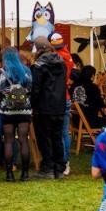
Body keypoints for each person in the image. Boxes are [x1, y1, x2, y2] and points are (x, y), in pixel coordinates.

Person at [31, 35, 67, 179]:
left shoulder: (39, 66)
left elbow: (36, 88)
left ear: (38, 49)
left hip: (44, 107)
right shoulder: (62, 63)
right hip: (59, 106)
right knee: (57, 137)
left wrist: (32, 105)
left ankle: (48, 168)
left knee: (44, 139)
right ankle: (59, 168)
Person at [0, 47, 33, 181]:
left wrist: (4, 103)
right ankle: (25, 174)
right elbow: (30, 89)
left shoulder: (2, 72)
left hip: (8, 111)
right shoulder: (27, 70)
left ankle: (9, 174)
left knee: (9, 141)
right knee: (23, 140)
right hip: (24, 110)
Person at [50, 33, 75, 175]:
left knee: (58, 132)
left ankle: (59, 161)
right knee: (64, 132)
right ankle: (66, 163)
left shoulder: (56, 57)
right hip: (65, 96)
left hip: (56, 97)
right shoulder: (68, 56)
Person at [71, 65, 106, 129]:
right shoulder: (93, 87)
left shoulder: (73, 86)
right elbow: (101, 105)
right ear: (92, 76)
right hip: (90, 122)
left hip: (75, 121)